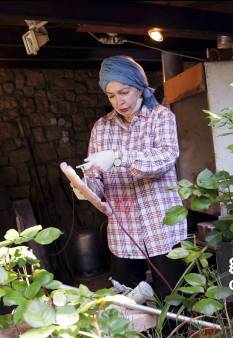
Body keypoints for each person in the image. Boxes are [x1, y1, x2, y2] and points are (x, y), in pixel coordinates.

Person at [71, 55, 187, 300]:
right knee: (128, 301)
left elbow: (165, 157)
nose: (119, 101)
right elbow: (96, 178)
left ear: (140, 88)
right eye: (111, 95)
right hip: (124, 234)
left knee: (173, 298)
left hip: (163, 228)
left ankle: (174, 337)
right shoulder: (101, 128)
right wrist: (85, 187)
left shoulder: (161, 117)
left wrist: (118, 156)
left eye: (124, 92)